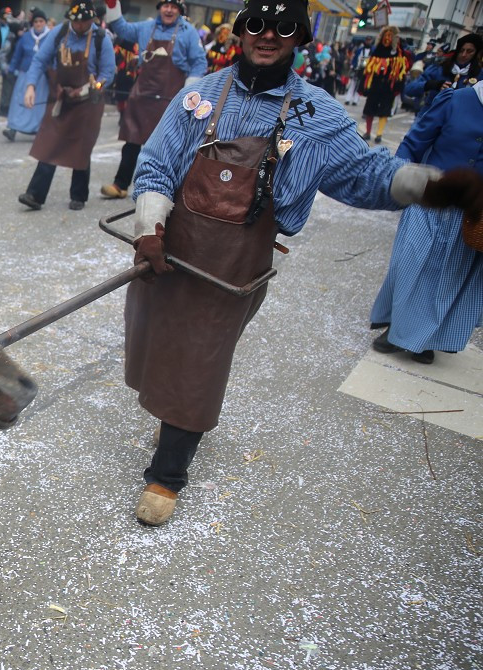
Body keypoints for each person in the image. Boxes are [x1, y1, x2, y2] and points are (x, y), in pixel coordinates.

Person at [113, 0, 483, 526]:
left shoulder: (317, 114)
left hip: (234, 267)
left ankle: (167, 473)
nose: (269, 36)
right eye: (258, 25)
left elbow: (366, 173)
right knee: (156, 341)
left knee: (202, 356)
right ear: (241, 32)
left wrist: (430, 186)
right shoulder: (199, 93)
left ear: (299, 38)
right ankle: (175, 412)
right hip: (170, 249)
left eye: (283, 28)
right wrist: (149, 226)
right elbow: (155, 162)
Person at [369, 86, 483, 364]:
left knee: (448, 276)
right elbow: (414, 142)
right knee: (410, 265)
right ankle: (396, 327)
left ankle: (423, 339)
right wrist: (398, 181)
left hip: (472, 212)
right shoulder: (455, 99)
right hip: (429, 200)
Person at [99, 0, 205, 199]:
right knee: (131, 141)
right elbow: (121, 28)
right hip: (142, 95)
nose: (169, 10)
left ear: (180, 11)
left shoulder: (189, 33)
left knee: (165, 148)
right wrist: (112, 5)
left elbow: (199, 63)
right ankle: (120, 185)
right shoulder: (146, 27)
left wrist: (188, 92)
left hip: (170, 100)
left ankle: (157, 190)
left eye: (174, 7)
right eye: (165, 5)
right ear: (160, 8)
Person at [15, 0, 114, 210]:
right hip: (61, 98)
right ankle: (35, 195)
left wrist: (92, 86)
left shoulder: (101, 39)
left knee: (81, 147)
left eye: (84, 22)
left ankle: (79, 195)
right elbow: (40, 60)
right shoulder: (59, 33)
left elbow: (108, 73)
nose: (79, 26)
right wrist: (30, 86)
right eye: (76, 22)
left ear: (92, 19)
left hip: (88, 102)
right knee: (49, 143)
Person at [404, 33, 482, 114]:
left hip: (459, 122)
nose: (464, 55)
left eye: (470, 51)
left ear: (477, 53)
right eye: (461, 50)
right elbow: (409, 89)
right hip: (429, 118)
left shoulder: (480, 75)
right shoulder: (439, 68)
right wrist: (431, 84)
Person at [2, 8, 49, 141]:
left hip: (42, 77)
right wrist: (11, 69)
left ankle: (38, 129)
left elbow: (54, 57)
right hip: (25, 74)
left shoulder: (51, 38)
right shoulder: (26, 37)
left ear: (45, 22)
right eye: (36, 21)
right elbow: (17, 55)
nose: (38, 24)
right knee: (19, 101)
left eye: (41, 21)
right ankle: (13, 128)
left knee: (38, 104)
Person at [359, 25, 407, 143]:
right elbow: (367, 70)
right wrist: (364, 86)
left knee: (384, 111)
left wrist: (398, 87)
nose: (387, 39)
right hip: (374, 86)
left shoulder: (398, 54)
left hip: (388, 87)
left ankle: (379, 134)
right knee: (370, 110)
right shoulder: (376, 52)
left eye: (390, 36)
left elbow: (401, 72)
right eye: (385, 36)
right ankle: (368, 132)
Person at [343, 34, 372, 106]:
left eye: (369, 40)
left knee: (360, 86)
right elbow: (355, 58)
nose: (368, 42)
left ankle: (355, 100)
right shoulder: (360, 49)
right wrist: (353, 65)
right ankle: (348, 99)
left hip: (365, 71)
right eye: (367, 40)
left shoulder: (372, 50)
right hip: (357, 69)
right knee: (352, 84)